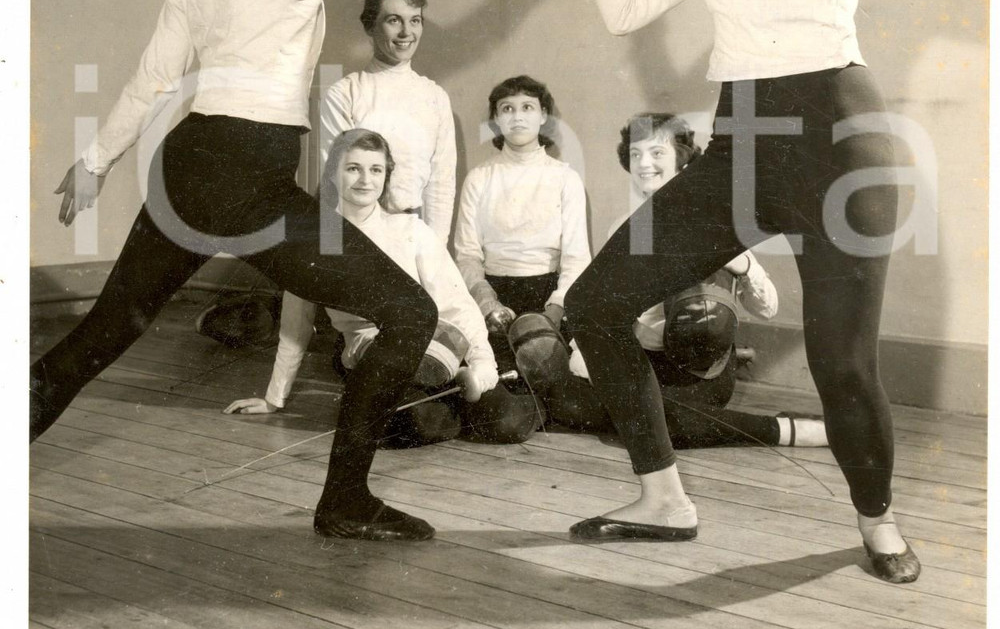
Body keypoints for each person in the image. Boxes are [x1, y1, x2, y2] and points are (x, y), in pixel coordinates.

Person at [30, 0, 560, 543]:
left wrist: (94, 159)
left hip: (188, 165)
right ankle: (345, 499)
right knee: (408, 310)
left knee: (104, 332)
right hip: (248, 176)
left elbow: (154, 75)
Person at [553, 0, 987, 582]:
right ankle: (663, 497)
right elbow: (626, 8)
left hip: (842, 149)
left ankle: (877, 522)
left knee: (840, 362)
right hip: (743, 146)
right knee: (598, 300)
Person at [224, 129, 537, 447]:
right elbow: (295, 327)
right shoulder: (314, 242)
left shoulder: (410, 230)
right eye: (353, 168)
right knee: (415, 422)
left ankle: (483, 391)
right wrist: (274, 397)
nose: (364, 180)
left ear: (387, 175)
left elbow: (456, 304)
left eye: (375, 169)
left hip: (439, 347)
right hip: (373, 360)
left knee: (507, 424)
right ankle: (449, 403)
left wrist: (483, 365)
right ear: (334, 173)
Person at [544, 112, 828, 452]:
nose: (643, 163)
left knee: (662, 422)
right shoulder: (623, 225)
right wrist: (582, 351)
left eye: (656, 152)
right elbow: (603, 303)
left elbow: (768, 308)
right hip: (645, 363)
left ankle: (785, 430)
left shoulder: (711, 221)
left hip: (698, 371)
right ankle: (663, 417)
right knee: (569, 402)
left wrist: (745, 265)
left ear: (681, 157)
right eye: (635, 154)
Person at [259, 0, 457, 411]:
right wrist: (275, 398)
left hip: (411, 237)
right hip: (358, 235)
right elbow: (343, 180)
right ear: (371, 27)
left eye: (415, 21)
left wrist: (433, 259)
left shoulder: (435, 98)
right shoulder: (345, 92)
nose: (406, 33)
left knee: (444, 352)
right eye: (393, 20)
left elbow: (441, 185)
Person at [453, 75, 591, 426]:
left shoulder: (564, 177)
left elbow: (577, 258)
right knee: (499, 411)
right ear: (496, 119)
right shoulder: (480, 178)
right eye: (507, 108)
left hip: (548, 301)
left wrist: (554, 314)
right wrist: (487, 305)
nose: (517, 116)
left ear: (543, 115)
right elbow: (467, 255)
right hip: (494, 302)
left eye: (527, 107)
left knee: (571, 405)